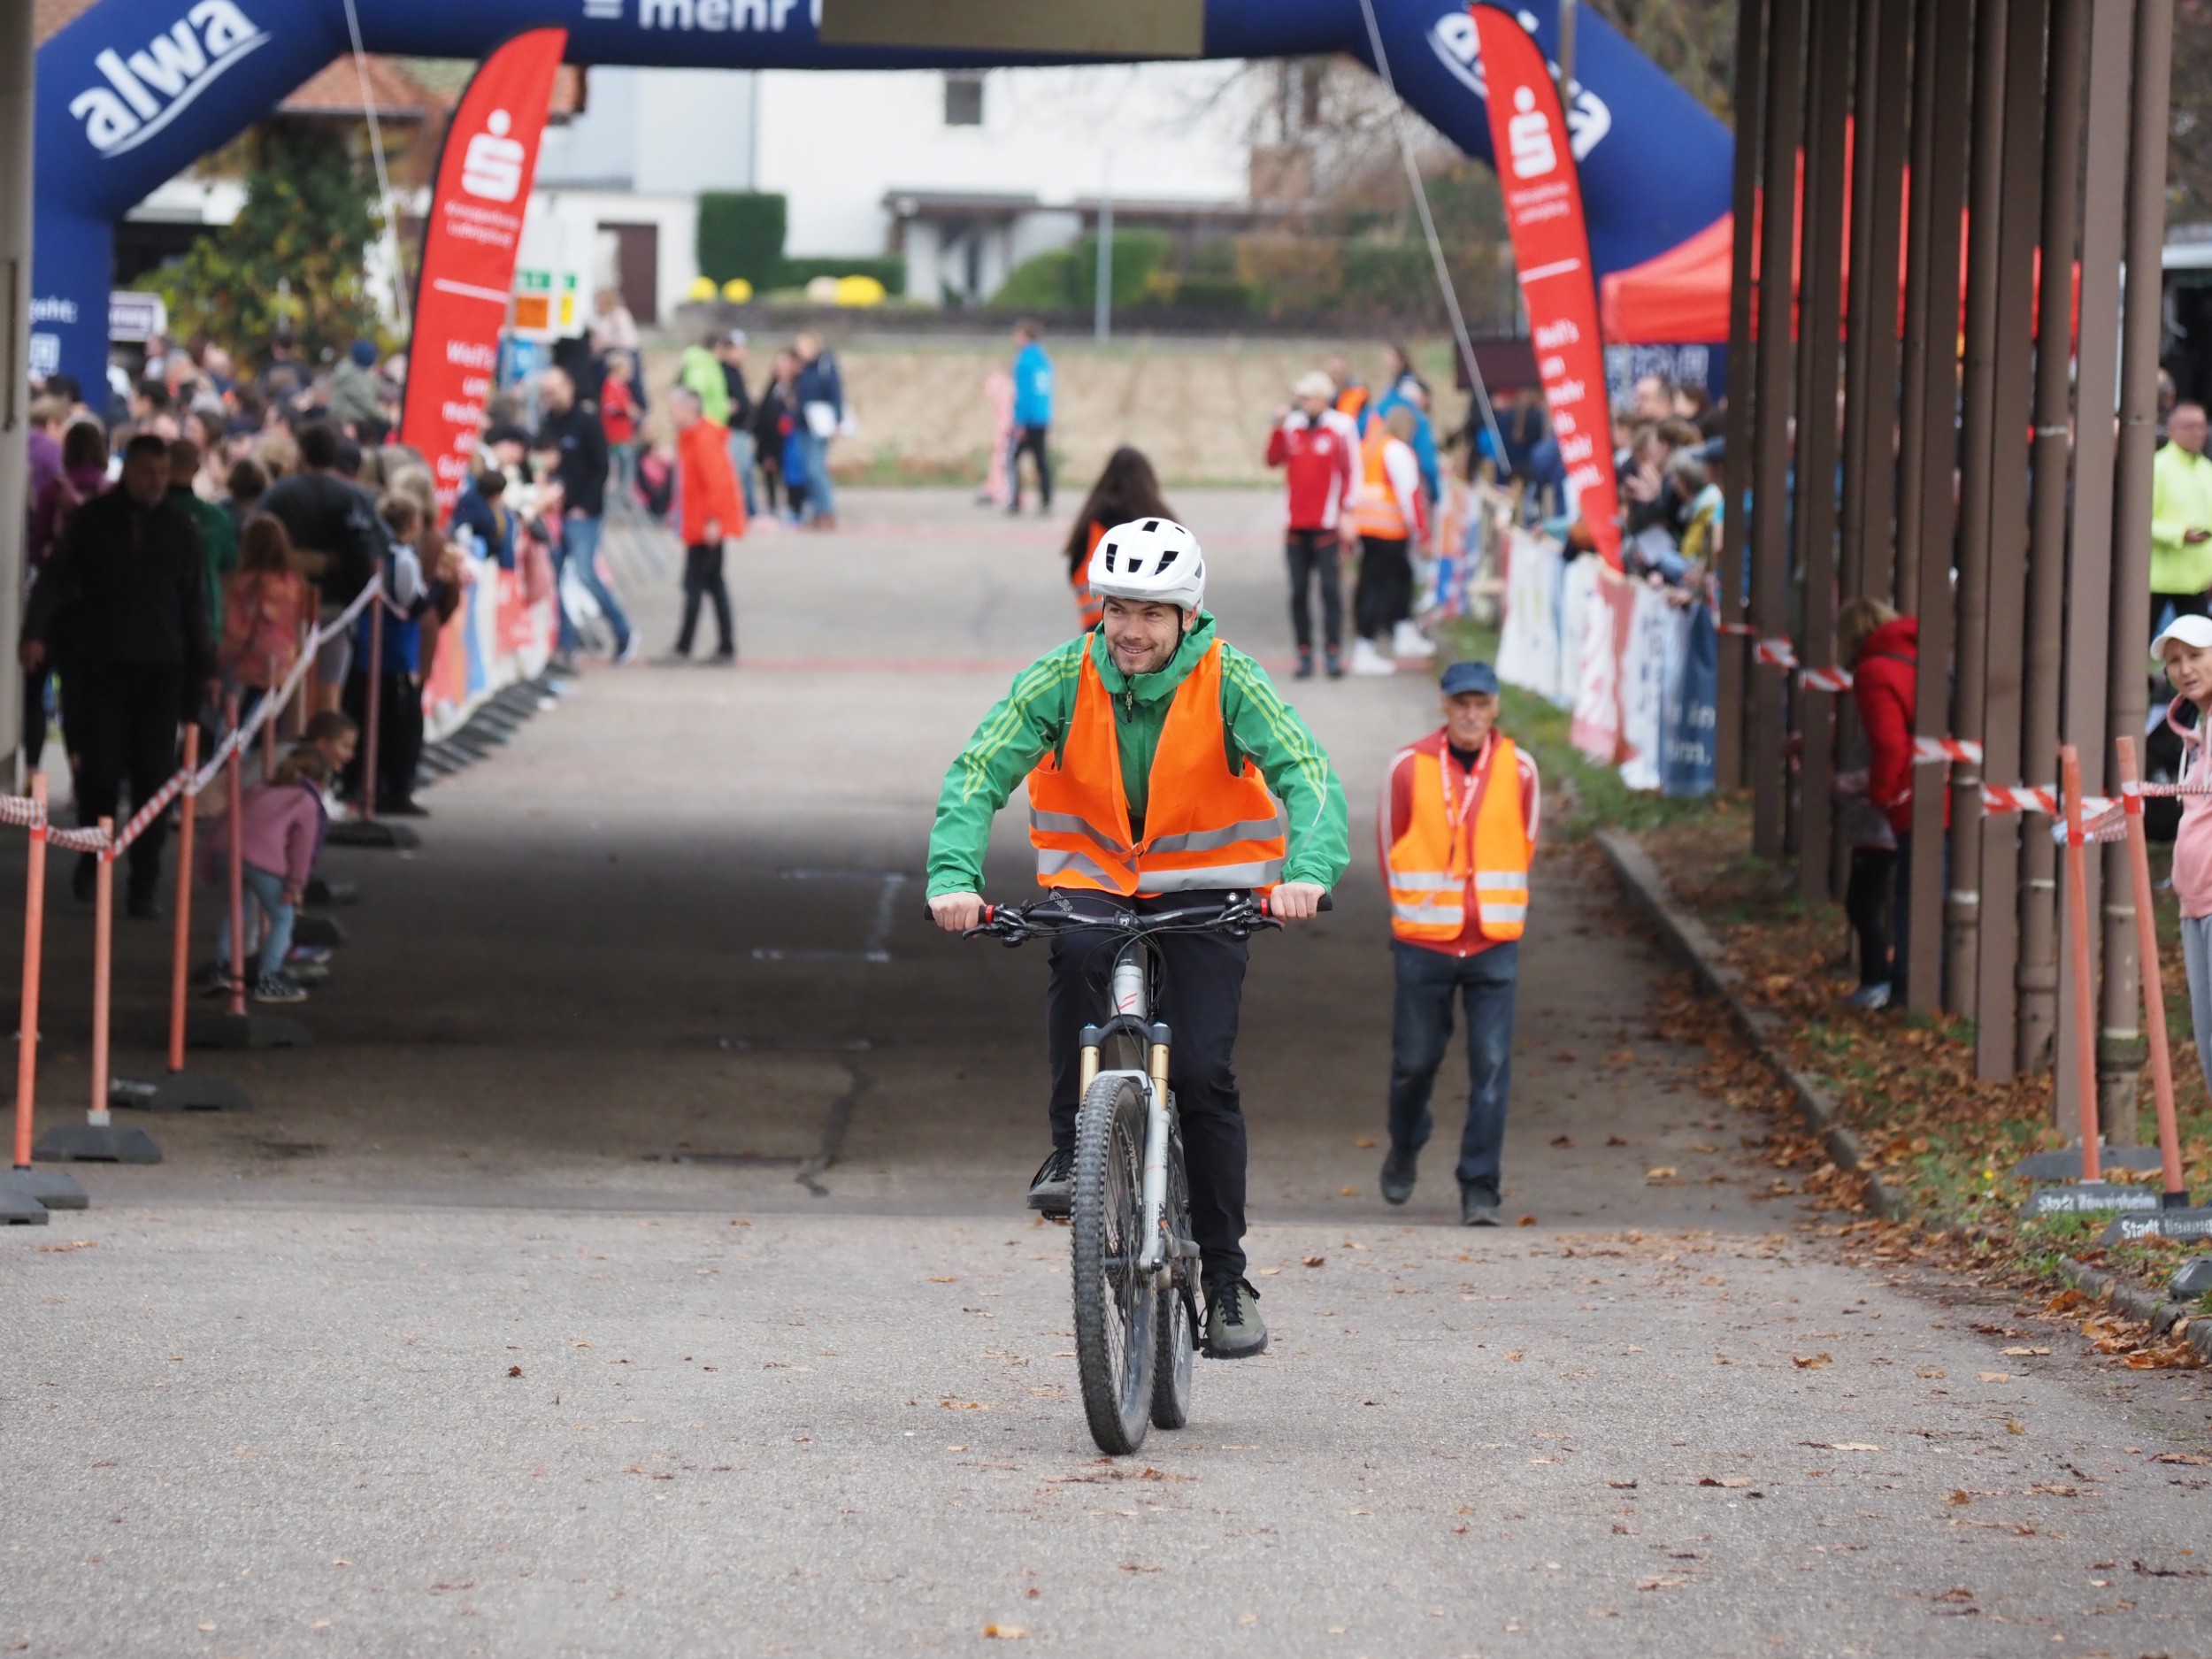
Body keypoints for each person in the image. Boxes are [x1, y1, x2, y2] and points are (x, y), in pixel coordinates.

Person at [926, 518, 1349, 1360]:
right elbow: (979, 770)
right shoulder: (1063, 675)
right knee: (1076, 959)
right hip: (1093, 887)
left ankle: (1225, 1278)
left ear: (1188, 616)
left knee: (1202, 1071)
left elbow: (1308, 772)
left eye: (1152, 612)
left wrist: (1307, 872)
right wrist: (953, 878)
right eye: (1118, 607)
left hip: (1206, 896)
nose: (1131, 628)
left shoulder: (1231, 679)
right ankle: (1070, 1149)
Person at [19, 432, 216, 916]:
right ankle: (92, 857)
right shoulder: (92, 522)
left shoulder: (178, 528)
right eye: (148, 472)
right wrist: (36, 632)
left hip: (161, 670)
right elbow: (55, 576)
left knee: (154, 777)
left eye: (163, 473)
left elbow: (194, 601)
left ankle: (143, 884)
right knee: (100, 772)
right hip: (101, 665)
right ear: (128, 471)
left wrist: (205, 666)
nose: (157, 482)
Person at [1376, 661, 1540, 1225]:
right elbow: (1389, 844)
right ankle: (1406, 1140)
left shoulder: (1520, 768)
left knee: (1491, 1065)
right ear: (1445, 706)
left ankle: (1480, 1186)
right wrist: (1412, 914)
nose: (1471, 715)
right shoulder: (1408, 766)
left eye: (1481, 704)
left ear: (1495, 707)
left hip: (1494, 941)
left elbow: (1525, 842)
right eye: (1461, 704)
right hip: (1426, 941)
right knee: (1414, 1063)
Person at [258, 422, 388, 714]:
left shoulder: (280, 494)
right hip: (335, 607)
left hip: (283, 607)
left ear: (302, 452)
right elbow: (374, 549)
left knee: (285, 697)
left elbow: (256, 539)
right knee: (328, 696)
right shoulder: (353, 497)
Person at [1837, 595, 1921, 1008]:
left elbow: (1888, 745)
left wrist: (1879, 796)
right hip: (1918, 796)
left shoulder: (1874, 672)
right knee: (1897, 895)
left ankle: (1886, 984)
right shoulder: (1915, 658)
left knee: (1869, 900)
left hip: (1895, 803)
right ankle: (1891, 983)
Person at [202, 743, 334, 1004]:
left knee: (236, 910)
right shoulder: (305, 802)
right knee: (283, 918)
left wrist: (206, 863)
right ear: (320, 781)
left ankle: (222, 967)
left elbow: (221, 822)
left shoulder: (256, 789)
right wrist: (295, 885)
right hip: (262, 860)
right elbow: (302, 848)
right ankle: (268, 976)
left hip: (225, 852)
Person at [533, 365, 635, 668]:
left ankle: (623, 631)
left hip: (583, 513)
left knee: (585, 573)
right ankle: (566, 642)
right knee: (553, 576)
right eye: (546, 393)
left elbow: (601, 467)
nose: (550, 397)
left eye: (554, 391)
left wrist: (585, 506)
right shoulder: (547, 422)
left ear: (569, 387)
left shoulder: (587, 422)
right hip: (555, 512)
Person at [341, 494, 434, 817]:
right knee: (399, 725)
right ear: (412, 523)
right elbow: (411, 602)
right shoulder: (404, 558)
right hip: (393, 652)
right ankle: (393, 790)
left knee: (371, 719)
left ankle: (367, 785)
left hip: (371, 649)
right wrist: (437, 588)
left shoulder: (378, 554)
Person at [24, 419, 109, 769]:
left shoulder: (52, 490)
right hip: (92, 610)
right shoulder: (109, 493)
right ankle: (80, 770)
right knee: (78, 694)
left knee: (34, 690)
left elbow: (37, 547)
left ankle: (31, 770)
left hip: (52, 605)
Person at [1265, 371, 1357, 680]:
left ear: (1322, 398)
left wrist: (1348, 511)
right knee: (1298, 591)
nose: (1301, 403)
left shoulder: (1341, 427)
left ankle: (1333, 651)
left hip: (1326, 524)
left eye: (1306, 397)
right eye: (1299, 398)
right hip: (1296, 523)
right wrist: (1277, 427)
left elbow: (1351, 470)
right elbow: (1272, 459)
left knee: (1330, 590)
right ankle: (1304, 652)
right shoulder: (1292, 426)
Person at [2155, 617, 2212, 1072]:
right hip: (2193, 903)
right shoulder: (2195, 734)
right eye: (2175, 660)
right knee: (2207, 1042)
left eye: (2195, 655)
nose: (2185, 668)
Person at [664, 386, 744, 664]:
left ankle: (686, 647)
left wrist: (713, 520)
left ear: (688, 410)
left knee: (696, 585)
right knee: (712, 584)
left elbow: (717, 483)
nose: (670, 417)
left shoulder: (703, 439)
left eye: (673, 411)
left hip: (706, 526)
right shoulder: (692, 438)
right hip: (699, 524)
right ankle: (724, 646)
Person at [1061, 447, 1174, 634]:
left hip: (1096, 624)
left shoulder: (1092, 520)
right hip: (1152, 629)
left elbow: (1075, 570)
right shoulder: (1161, 522)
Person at [1349, 405, 1426, 676]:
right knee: (1385, 586)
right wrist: (1419, 530)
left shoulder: (1370, 446)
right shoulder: (1397, 450)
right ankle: (1370, 644)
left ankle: (1396, 632)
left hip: (1366, 525)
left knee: (1380, 582)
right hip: (1390, 528)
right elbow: (1409, 493)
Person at [219, 515, 310, 720]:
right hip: (286, 661)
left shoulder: (249, 583)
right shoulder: (294, 582)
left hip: (253, 664)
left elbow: (238, 629)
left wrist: (221, 656)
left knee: (245, 719)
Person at [167, 438, 237, 644]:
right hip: (206, 620)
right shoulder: (216, 518)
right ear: (197, 468)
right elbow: (229, 572)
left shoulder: (151, 515)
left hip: (157, 623)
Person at [2152, 402, 2212, 638]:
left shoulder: (2207, 469)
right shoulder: (2157, 466)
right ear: (2172, 429)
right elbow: (2139, 522)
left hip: (2196, 581)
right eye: (2190, 426)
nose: (2198, 433)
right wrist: (2180, 534)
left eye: (2202, 426)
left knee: (2200, 643)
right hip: (2156, 579)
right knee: (2137, 642)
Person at [792, 333, 843, 530]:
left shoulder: (825, 365)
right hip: (803, 424)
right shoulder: (802, 368)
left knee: (816, 469)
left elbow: (836, 393)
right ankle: (816, 511)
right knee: (808, 470)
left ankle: (826, 511)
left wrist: (838, 420)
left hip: (819, 425)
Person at [1008, 319, 1054, 515]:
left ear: (1025, 337)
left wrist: (1020, 422)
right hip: (1042, 417)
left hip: (1027, 419)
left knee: (1012, 458)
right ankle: (1046, 500)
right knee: (1041, 461)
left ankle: (1015, 500)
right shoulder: (1044, 359)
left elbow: (1024, 395)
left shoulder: (1023, 361)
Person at [715, 331, 759, 518]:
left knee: (746, 472)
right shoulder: (722, 372)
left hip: (742, 430)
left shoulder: (736, 371)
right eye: (740, 349)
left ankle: (748, 511)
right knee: (737, 472)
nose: (744, 353)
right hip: (731, 430)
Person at [752, 353, 791, 519]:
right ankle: (772, 505)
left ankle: (790, 506)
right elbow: (764, 413)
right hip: (767, 439)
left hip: (783, 440)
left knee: (786, 474)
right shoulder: (772, 387)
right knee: (769, 473)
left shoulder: (794, 388)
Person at [328, 340, 383, 432]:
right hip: (348, 421)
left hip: (353, 419)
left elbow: (378, 386)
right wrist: (386, 417)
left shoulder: (357, 369)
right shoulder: (350, 374)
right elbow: (366, 402)